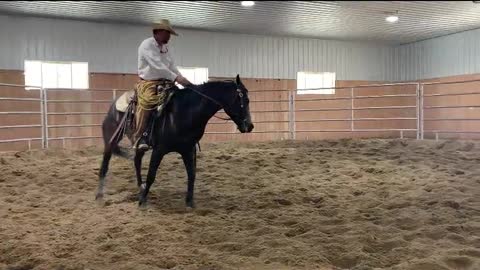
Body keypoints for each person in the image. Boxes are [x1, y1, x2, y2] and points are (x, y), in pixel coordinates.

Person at [133, 19, 192, 150]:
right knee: (147, 102)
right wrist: (176, 78)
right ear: (159, 32)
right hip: (149, 82)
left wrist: (182, 78)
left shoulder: (166, 48)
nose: (169, 36)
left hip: (167, 81)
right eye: (167, 33)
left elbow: (172, 66)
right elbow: (157, 66)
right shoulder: (146, 45)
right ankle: (141, 136)